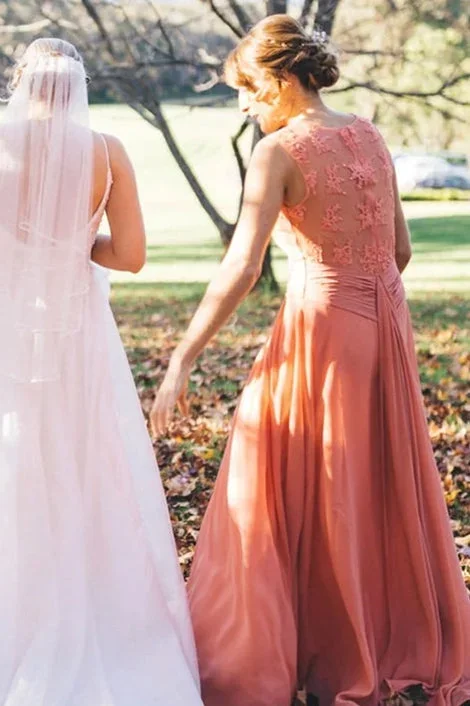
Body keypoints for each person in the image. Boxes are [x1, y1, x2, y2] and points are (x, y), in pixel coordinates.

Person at [151, 13, 470, 706]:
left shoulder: (279, 153)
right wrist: (366, 288)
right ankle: (383, 638)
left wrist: (182, 357)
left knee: (291, 482)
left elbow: (242, 265)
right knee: (371, 482)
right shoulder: (371, 134)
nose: (242, 104)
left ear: (282, 77)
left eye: (247, 87)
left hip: (323, 327)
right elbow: (402, 253)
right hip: (385, 321)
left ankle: (307, 650)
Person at [0, 38, 203, 705]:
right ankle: (96, 608)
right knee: (85, 462)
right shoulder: (107, 150)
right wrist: (71, 240)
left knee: (18, 458)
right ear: (80, 85)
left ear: (23, 81)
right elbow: (134, 256)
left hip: (10, 326)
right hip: (76, 332)